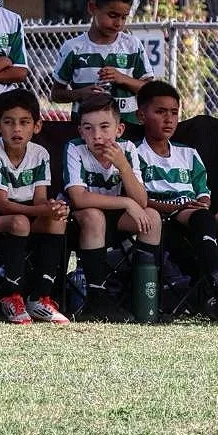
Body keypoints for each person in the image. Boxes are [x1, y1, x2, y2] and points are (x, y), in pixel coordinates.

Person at [0, 90, 69, 325]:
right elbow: (2, 205)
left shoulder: (40, 154)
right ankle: (11, 297)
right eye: (9, 122)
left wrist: (53, 208)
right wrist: (42, 211)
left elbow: (40, 201)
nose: (17, 129)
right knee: (19, 222)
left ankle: (40, 298)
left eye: (24, 122)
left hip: (23, 212)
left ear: (37, 126)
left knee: (58, 220)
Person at [63, 92, 162, 321]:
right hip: (80, 223)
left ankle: (144, 302)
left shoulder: (127, 149)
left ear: (119, 130)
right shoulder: (74, 148)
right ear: (80, 131)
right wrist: (126, 202)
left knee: (152, 218)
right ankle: (97, 301)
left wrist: (123, 167)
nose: (97, 136)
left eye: (104, 127)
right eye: (88, 128)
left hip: (115, 219)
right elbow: (78, 198)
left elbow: (142, 201)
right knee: (94, 215)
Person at [135, 80, 218, 318]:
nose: (169, 119)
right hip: (155, 217)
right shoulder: (133, 152)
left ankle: (217, 289)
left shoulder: (188, 153)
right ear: (141, 116)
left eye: (174, 113)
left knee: (211, 217)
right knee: (199, 220)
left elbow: (203, 192)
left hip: (190, 216)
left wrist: (202, 203)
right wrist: (174, 206)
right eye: (160, 112)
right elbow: (136, 198)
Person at [51, 0, 153, 127]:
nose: (118, 23)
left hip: (128, 131)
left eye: (124, 18)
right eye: (112, 15)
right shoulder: (73, 48)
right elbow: (56, 94)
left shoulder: (132, 45)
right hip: (87, 136)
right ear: (92, 8)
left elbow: (149, 90)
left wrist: (122, 78)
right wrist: (80, 94)